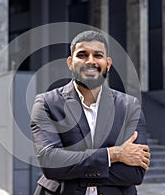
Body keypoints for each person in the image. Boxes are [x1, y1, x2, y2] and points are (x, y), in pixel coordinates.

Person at [31, 30, 150, 195]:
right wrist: (113, 155)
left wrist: (71, 168)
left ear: (107, 64)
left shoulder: (130, 106)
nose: (90, 61)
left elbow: (135, 173)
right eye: (82, 55)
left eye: (98, 55)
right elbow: (50, 162)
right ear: (70, 62)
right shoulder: (47, 103)